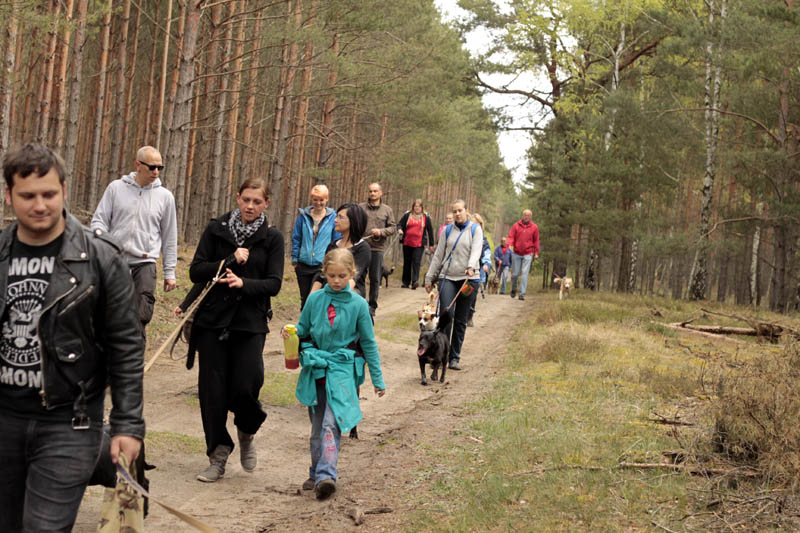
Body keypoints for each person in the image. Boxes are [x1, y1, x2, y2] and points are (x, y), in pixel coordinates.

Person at [0, 143, 144, 532]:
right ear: (9, 194)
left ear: (64, 189)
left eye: (49, 193)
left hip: (70, 421)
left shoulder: (100, 258)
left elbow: (126, 346)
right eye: (28, 196)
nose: (40, 205)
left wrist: (128, 425)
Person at [188, 178, 284, 482]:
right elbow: (196, 271)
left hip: (250, 322)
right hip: (212, 321)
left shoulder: (272, 239)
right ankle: (217, 455)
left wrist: (245, 284)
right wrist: (229, 259)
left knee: (247, 384)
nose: (250, 207)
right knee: (211, 393)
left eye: (257, 202)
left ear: (266, 203)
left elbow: (274, 284)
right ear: (237, 198)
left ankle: (246, 431)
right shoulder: (216, 229)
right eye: (246, 200)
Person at [282, 248, 386, 500]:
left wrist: (377, 378)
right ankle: (316, 471)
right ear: (324, 273)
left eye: (342, 275)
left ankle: (327, 476)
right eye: (331, 276)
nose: (337, 281)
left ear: (352, 273)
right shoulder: (315, 299)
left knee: (331, 424)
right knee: (317, 427)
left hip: (342, 371)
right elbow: (304, 327)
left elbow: (369, 343)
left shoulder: (359, 305)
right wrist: (292, 331)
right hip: (316, 368)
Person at [91, 145, 178, 341]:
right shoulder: (116, 188)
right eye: (152, 167)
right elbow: (99, 221)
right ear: (138, 165)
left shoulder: (165, 197)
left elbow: (169, 236)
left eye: (160, 168)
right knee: (108, 314)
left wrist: (170, 272)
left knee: (140, 315)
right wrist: (103, 244)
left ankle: (134, 366)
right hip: (115, 261)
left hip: (145, 263)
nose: (156, 172)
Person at [424, 200, 483, 371]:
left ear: (466, 211)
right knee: (446, 314)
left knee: (461, 319)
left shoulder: (474, 229)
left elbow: (476, 250)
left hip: (468, 280)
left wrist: (471, 266)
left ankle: (454, 357)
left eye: (460, 210)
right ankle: (441, 354)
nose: (457, 214)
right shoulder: (448, 230)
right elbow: (438, 255)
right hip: (447, 277)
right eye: (454, 211)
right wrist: (429, 277)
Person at [291, 185, 339, 309]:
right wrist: (295, 260)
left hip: (321, 266)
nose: (318, 203)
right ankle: (304, 326)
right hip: (303, 265)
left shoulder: (333, 217)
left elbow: (336, 241)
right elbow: (296, 238)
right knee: (305, 299)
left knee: (316, 298)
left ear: (327, 199)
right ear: (311, 199)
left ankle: (316, 326)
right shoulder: (302, 216)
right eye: (315, 199)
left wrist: (332, 262)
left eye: (321, 200)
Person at [310, 203, 370, 298]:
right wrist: (311, 299)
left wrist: (336, 300)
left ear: (353, 221)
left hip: (349, 299)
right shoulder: (333, 245)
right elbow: (321, 274)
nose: (335, 220)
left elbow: (353, 279)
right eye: (336, 216)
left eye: (340, 217)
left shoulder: (363, 248)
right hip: (327, 297)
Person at [358, 182, 396, 316]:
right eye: (370, 191)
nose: (372, 194)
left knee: (375, 278)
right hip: (361, 247)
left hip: (377, 248)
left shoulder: (387, 210)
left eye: (375, 191)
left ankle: (372, 306)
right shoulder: (360, 208)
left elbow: (393, 228)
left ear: (380, 193)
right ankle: (360, 304)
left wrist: (381, 231)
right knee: (359, 276)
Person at [397, 199, 434, 289]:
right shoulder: (407, 215)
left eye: (419, 206)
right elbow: (399, 224)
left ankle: (415, 281)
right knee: (407, 262)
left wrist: (431, 245)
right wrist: (400, 229)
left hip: (419, 243)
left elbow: (430, 231)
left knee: (416, 262)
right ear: (413, 207)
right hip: (407, 242)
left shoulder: (426, 217)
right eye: (415, 206)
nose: (417, 208)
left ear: (422, 208)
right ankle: (406, 282)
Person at [507, 209, 540, 300]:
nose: (526, 217)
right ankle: (513, 289)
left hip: (528, 254)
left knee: (525, 273)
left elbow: (536, 240)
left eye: (528, 215)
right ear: (522, 216)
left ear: (531, 217)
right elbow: (511, 236)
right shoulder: (516, 226)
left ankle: (522, 294)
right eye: (525, 215)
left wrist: (536, 252)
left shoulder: (534, 227)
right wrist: (510, 244)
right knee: (515, 274)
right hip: (517, 253)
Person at [466, 213, 492, 327]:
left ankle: (469, 316)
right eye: (473, 223)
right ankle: (461, 315)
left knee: (472, 295)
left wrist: (486, 263)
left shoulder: (484, 241)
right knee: (463, 293)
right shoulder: (464, 237)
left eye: (478, 224)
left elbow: (487, 254)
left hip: (477, 272)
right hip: (462, 271)